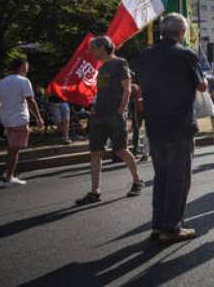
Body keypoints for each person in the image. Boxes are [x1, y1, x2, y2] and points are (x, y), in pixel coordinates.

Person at [138, 13, 206, 243]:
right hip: (179, 125)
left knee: (162, 177)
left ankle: (158, 225)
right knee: (178, 178)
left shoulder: (146, 55)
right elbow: (202, 85)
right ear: (181, 33)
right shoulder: (186, 54)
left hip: (155, 124)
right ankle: (172, 227)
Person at [75, 36, 143, 206]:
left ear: (103, 48)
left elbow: (127, 90)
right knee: (95, 152)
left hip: (114, 116)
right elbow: (102, 90)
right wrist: (94, 107)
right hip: (99, 116)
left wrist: (120, 111)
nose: (91, 51)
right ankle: (95, 191)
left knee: (121, 150)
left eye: (93, 48)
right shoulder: (102, 67)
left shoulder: (120, 63)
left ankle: (137, 181)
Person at [0, 59, 44, 186]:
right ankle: (9, 177)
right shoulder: (24, 81)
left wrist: (3, 112)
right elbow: (31, 101)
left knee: (11, 148)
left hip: (6, 120)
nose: (28, 69)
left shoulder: (2, 81)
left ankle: (8, 173)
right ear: (21, 67)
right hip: (19, 119)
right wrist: (38, 118)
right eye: (26, 66)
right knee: (15, 150)